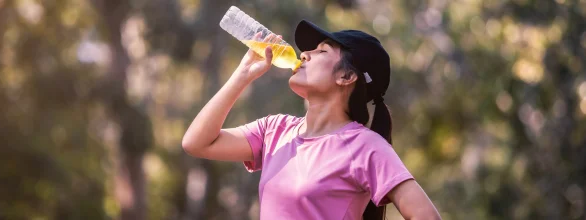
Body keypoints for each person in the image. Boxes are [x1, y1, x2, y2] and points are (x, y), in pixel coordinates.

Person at [182, 20, 441, 220]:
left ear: (347, 77)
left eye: (321, 51)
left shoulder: (365, 147)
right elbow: (197, 143)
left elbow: (425, 215)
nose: (304, 54)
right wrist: (242, 75)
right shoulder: (275, 130)